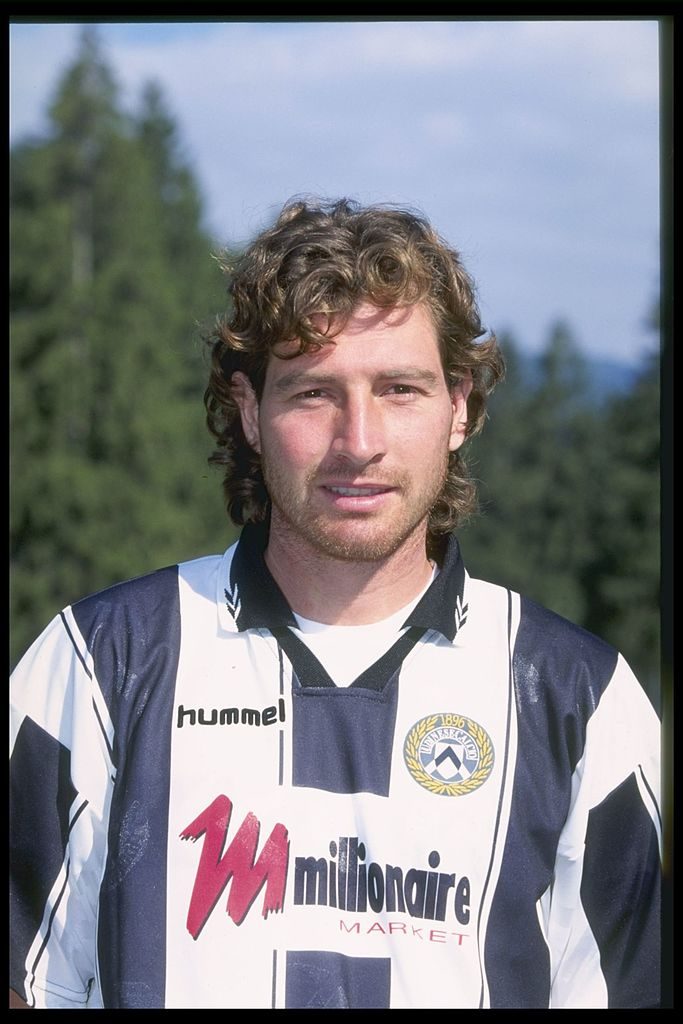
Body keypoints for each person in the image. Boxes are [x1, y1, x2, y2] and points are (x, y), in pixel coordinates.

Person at [9, 197, 661, 1010]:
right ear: (249, 412)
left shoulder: (580, 698)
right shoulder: (99, 662)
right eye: (313, 393)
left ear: (459, 406)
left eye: (399, 388)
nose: (359, 441)